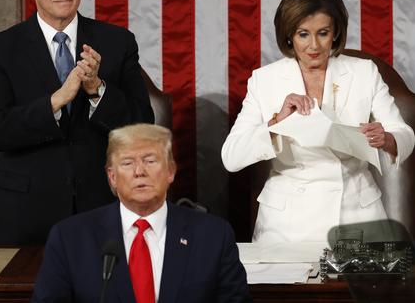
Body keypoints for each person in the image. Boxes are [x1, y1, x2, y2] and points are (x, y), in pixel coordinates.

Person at [0, 0, 154, 245]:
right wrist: (56, 101)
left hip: (101, 205)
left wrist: (97, 89)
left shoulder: (117, 42)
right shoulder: (0, 50)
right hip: (26, 213)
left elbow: (142, 126)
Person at [221, 0, 415, 244]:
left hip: (358, 217)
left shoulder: (364, 72)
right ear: (289, 34)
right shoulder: (264, 80)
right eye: (303, 34)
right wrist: (276, 123)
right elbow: (231, 157)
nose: (314, 46)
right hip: (287, 226)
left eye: (323, 33)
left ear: (335, 32)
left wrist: (388, 139)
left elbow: (403, 133)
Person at [32, 124, 251, 303]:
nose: (139, 172)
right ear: (112, 177)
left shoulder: (213, 236)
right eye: (127, 163)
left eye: (150, 160)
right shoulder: (70, 238)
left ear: (170, 171)